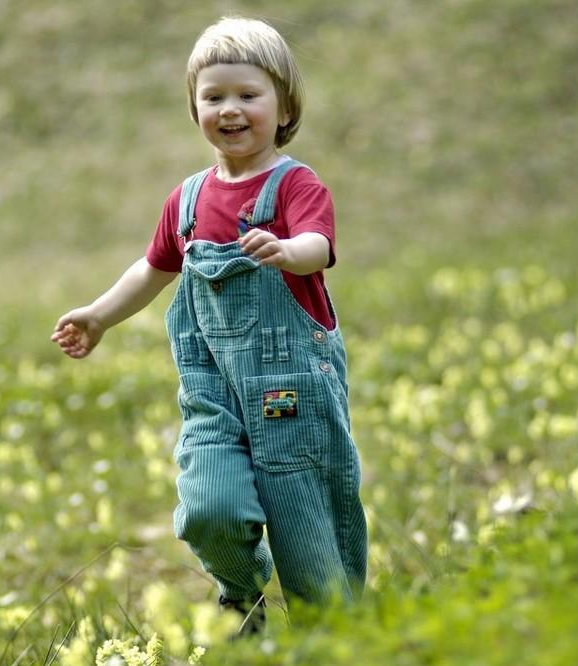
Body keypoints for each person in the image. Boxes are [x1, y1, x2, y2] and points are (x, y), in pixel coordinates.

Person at [51, 17, 366, 634]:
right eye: (213, 96)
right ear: (194, 107)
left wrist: (286, 250)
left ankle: (336, 639)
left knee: (307, 523)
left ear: (284, 107)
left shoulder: (295, 185)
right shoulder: (188, 201)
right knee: (207, 509)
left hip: (291, 392)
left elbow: (318, 245)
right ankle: (240, 599)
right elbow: (152, 268)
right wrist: (98, 316)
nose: (230, 109)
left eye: (248, 95)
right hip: (214, 394)